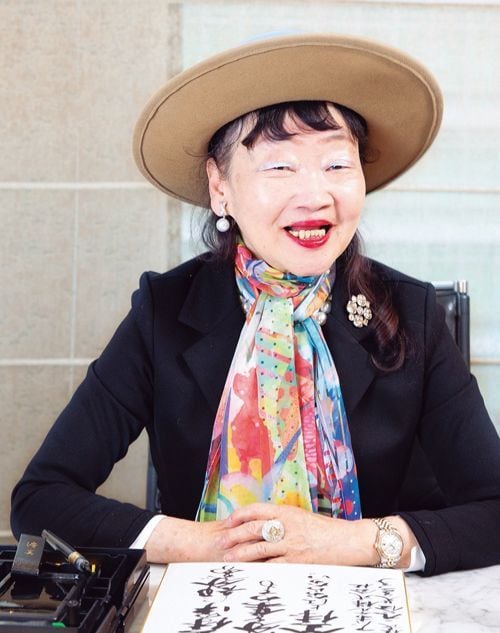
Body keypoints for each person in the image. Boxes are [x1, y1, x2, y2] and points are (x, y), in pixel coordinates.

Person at [11, 33, 500, 577]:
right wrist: (210, 543)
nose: (315, 195)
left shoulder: (411, 314)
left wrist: (348, 542)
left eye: (337, 164)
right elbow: (41, 499)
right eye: (280, 167)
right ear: (220, 186)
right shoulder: (164, 312)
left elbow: (493, 511)